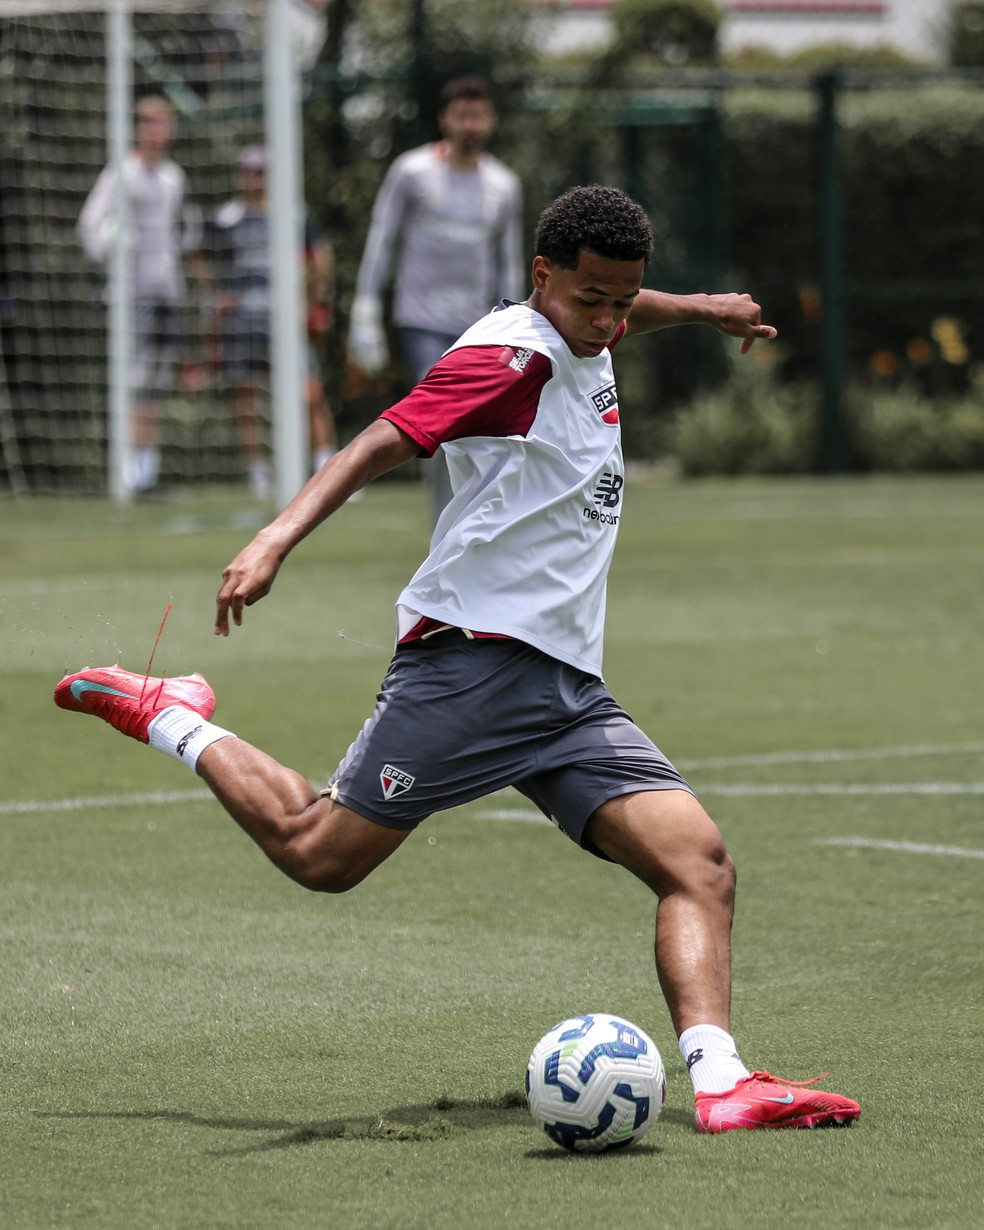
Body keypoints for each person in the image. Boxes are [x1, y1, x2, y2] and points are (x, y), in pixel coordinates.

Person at [55, 185, 861, 1134]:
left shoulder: (590, 324)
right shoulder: (509, 359)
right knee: (320, 855)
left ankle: (721, 1085)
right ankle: (168, 713)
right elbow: (382, 438)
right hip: (471, 664)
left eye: (621, 300)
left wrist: (703, 308)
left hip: (565, 688)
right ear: (541, 277)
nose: (607, 321)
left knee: (701, 866)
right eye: (590, 299)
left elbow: (626, 309)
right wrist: (274, 538)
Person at [348, 76, 523, 524]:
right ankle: (445, 528)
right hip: (421, 322)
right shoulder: (412, 171)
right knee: (442, 422)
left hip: (479, 326)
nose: (470, 125)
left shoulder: (503, 184)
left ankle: (478, 524)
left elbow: (508, 262)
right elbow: (382, 240)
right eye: (462, 116)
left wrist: (518, 322)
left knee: (486, 430)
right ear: (445, 119)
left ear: (491, 121)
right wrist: (365, 310)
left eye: (478, 116)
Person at [78, 93, 203, 497]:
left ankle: (147, 473)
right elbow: (90, 224)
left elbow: (186, 232)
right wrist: (111, 246)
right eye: (148, 122)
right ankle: (127, 473)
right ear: (137, 127)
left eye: (161, 122)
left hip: (168, 292)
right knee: (135, 380)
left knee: (157, 384)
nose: (155, 130)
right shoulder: (122, 172)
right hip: (133, 296)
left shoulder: (173, 177)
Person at [205, 145, 340, 498]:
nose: (255, 178)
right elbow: (200, 256)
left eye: (261, 171)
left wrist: (310, 303)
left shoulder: (293, 214)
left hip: (285, 321)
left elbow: (321, 259)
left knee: (309, 392)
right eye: (249, 171)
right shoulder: (227, 218)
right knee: (245, 395)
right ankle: (258, 473)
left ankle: (328, 469)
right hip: (243, 320)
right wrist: (215, 297)